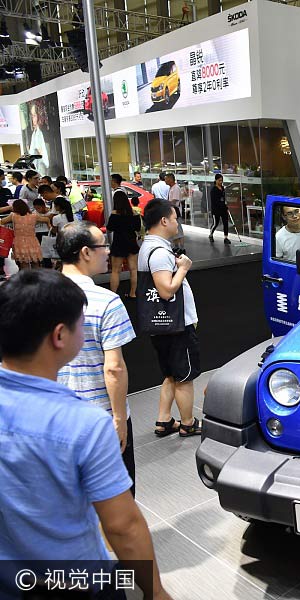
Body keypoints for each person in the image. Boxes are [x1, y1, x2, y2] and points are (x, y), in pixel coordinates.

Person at [0, 269, 170, 599]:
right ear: (60, 336)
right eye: (81, 323)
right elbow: (123, 526)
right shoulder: (84, 425)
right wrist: (156, 591)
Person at [56, 221, 138, 497]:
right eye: (103, 245)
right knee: (114, 497)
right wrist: (117, 419)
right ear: (85, 253)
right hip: (99, 417)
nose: (108, 251)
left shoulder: (38, 296)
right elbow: (114, 368)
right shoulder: (106, 302)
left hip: (56, 416)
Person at [138, 199, 202, 438]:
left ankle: (164, 420)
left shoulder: (148, 247)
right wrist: (184, 267)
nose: (177, 223)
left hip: (162, 325)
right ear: (164, 220)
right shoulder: (160, 253)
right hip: (177, 326)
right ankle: (188, 423)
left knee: (172, 374)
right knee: (185, 377)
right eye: (175, 218)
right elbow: (166, 290)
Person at [107, 175, 142, 298]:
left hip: (118, 242)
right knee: (133, 269)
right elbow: (138, 228)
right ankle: (133, 293)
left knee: (116, 271)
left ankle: (113, 295)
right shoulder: (134, 213)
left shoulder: (115, 214)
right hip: (131, 242)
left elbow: (109, 228)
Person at [0, 199, 52, 269]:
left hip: (19, 242)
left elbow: (2, 222)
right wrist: (49, 225)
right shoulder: (34, 216)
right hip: (33, 241)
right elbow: (46, 219)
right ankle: (37, 278)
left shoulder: (13, 216)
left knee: (24, 265)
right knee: (35, 263)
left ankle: (26, 278)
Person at [208, 173, 231, 244]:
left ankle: (226, 237)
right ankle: (211, 235)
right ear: (216, 180)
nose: (221, 182)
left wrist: (225, 206)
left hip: (223, 209)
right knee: (216, 223)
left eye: (222, 180)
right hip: (216, 209)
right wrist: (221, 204)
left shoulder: (223, 188)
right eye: (219, 180)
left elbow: (223, 198)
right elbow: (214, 201)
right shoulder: (213, 190)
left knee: (225, 223)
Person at [165, 172, 185, 245]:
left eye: (166, 179)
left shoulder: (176, 188)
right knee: (174, 229)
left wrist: (167, 203)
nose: (165, 181)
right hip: (172, 211)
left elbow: (174, 200)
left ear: (170, 179)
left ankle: (182, 247)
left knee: (179, 229)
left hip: (176, 211)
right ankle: (176, 246)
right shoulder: (171, 188)